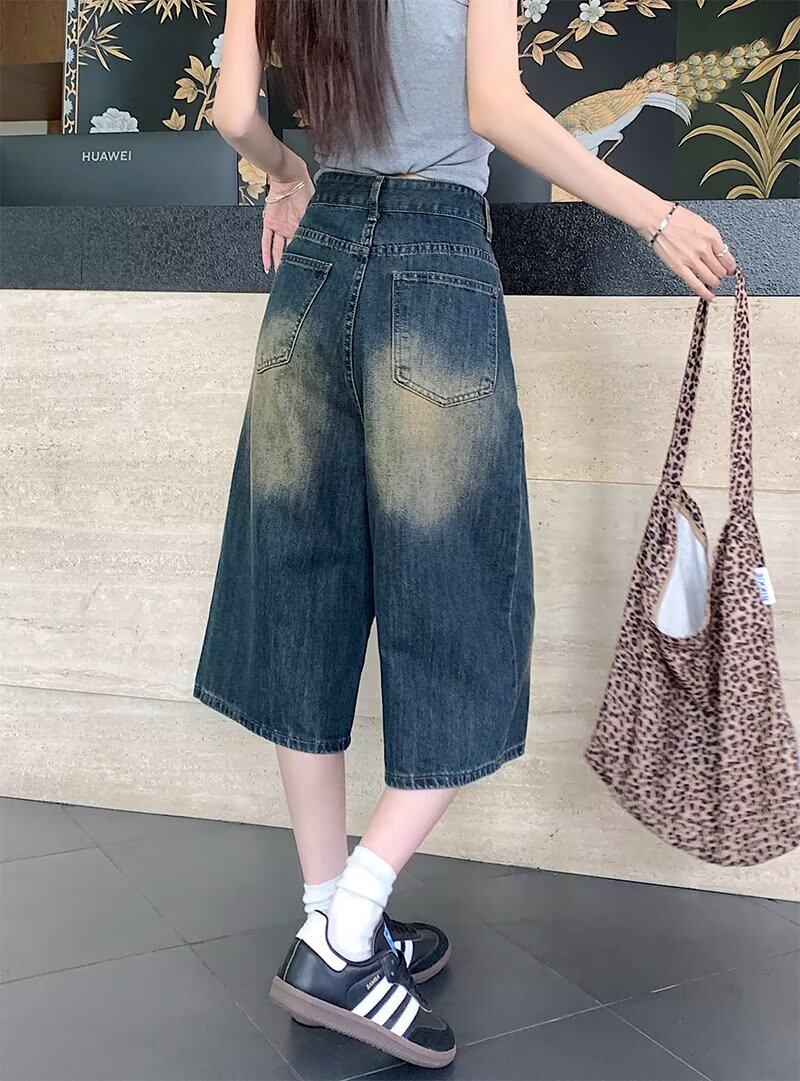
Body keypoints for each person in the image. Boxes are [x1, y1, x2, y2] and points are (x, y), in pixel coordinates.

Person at [195, 0, 737, 1068]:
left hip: (314, 270)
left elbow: (232, 114)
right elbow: (494, 105)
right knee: (462, 606)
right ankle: (348, 927)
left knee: (300, 590)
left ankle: (327, 914)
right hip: (432, 266)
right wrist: (656, 214)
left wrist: (290, 173)